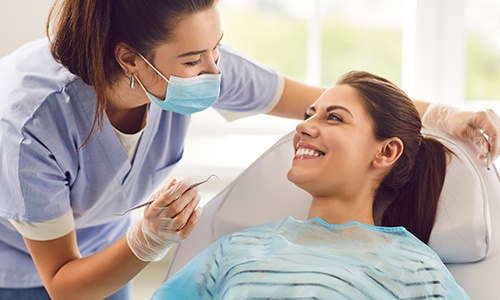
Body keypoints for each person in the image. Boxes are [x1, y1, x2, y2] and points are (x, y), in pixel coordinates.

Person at [0, 0, 496, 298]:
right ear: (130, 59)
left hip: (103, 246)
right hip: (23, 265)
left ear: (385, 153)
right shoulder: (31, 124)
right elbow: (64, 283)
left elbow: (313, 94)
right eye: (196, 60)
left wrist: (441, 115)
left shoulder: (416, 270)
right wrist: (145, 242)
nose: (216, 71)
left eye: (217, 49)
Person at [152, 70, 470, 299]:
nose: (303, 126)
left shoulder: (418, 272)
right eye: (309, 114)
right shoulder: (237, 250)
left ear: (386, 152)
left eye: (334, 118)